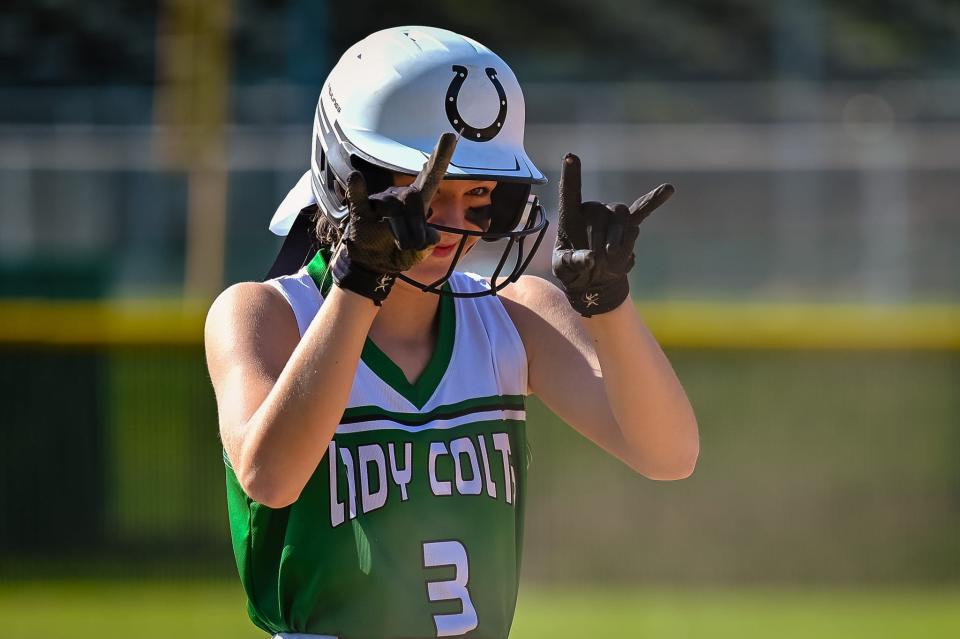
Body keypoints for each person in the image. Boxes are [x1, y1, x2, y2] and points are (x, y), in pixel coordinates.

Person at [205, 26, 698, 639]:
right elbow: (271, 479)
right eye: (428, 194)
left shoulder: (514, 313)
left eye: (480, 196)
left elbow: (668, 454)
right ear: (347, 176)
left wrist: (609, 304)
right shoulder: (265, 313)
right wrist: (360, 284)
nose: (450, 227)